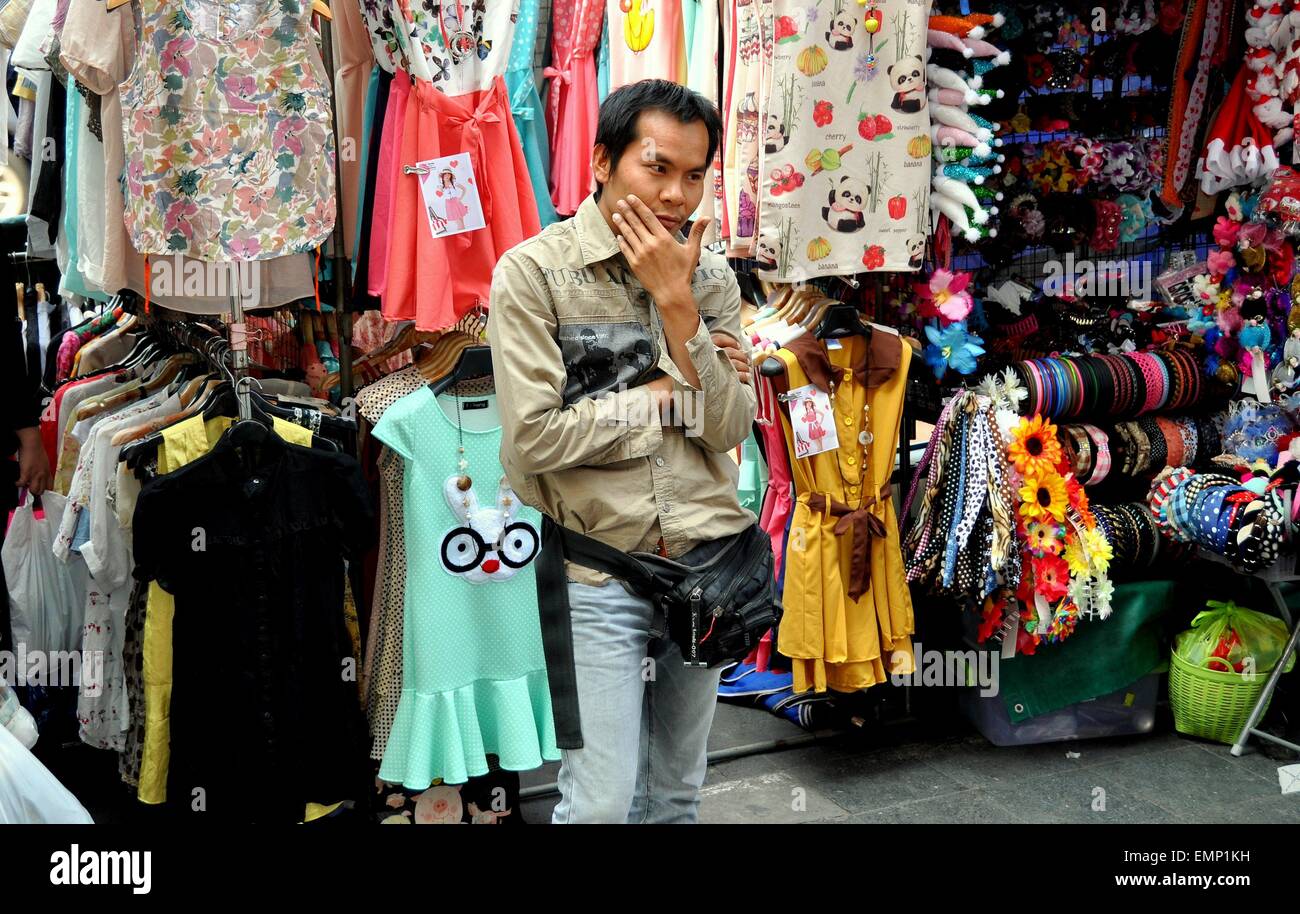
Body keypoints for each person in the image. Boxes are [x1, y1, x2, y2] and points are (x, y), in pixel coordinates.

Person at [489, 79, 757, 824]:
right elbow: (536, 437)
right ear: (602, 160)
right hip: (598, 574)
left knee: (676, 797)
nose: (677, 195)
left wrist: (677, 306)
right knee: (602, 804)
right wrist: (661, 396)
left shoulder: (708, 277)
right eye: (657, 167)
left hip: (708, 571)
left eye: (695, 175)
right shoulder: (535, 274)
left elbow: (730, 427)